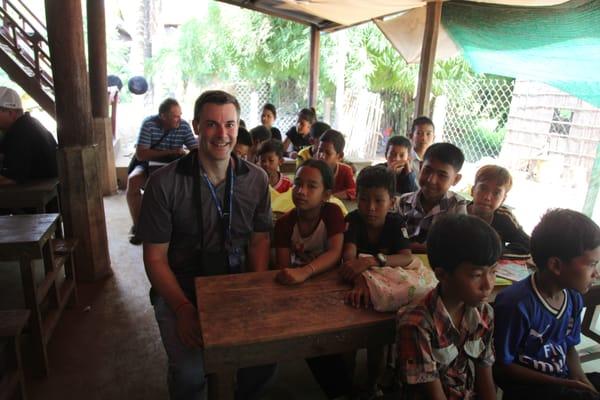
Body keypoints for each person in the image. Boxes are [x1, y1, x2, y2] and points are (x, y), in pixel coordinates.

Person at [137, 90, 275, 400]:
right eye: (212, 124)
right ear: (196, 125)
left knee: (264, 360)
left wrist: (255, 289)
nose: (222, 134)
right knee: (191, 374)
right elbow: (155, 258)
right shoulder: (164, 183)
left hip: (236, 284)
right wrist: (182, 308)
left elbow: (259, 240)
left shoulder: (256, 180)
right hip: (182, 286)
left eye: (230, 124)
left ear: (238, 126)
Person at [493, 209, 600, 400]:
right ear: (556, 265)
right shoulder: (516, 304)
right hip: (528, 387)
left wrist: (582, 380)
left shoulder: (573, 298)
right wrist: (565, 383)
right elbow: (503, 366)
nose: (597, 273)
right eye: (592, 264)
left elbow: (568, 347)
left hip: (561, 377)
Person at [396, 214, 502, 400]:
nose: (488, 285)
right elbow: (433, 394)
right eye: (476, 275)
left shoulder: (484, 313)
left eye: (493, 271)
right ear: (442, 274)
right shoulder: (416, 324)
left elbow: (485, 373)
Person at [272, 159, 349, 399]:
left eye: (311, 186)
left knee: (332, 338)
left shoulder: (332, 213)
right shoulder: (285, 223)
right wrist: (299, 275)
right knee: (313, 337)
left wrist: (305, 271)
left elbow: (335, 254)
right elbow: (284, 268)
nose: (301, 191)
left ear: (326, 194)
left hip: (330, 287)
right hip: (299, 291)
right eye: (297, 183)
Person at [341, 166, 413, 399]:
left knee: (377, 343)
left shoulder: (395, 222)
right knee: (348, 341)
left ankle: (373, 386)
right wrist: (360, 280)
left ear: (391, 202)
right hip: (357, 286)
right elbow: (349, 258)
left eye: (378, 201)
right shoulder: (353, 219)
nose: (370, 208)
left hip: (387, 291)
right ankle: (347, 385)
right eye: (363, 200)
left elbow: (406, 256)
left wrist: (373, 260)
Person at [127, 98, 197, 245]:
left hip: (173, 166)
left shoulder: (183, 126)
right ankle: (139, 227)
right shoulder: (149, 124)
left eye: (180, 115)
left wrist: (186, 154)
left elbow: (195, 149)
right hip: (147, 164)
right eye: (175, 116)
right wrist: (170, 152)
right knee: (133, 181)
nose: (179, 119)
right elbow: (141, 154)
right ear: (163, 116)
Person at [393, 142, 468, 253]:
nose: (431, 180)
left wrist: (409, 246)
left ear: (456, 179)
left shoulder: (456, 205)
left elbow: (456, 245)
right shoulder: (404, 202)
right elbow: (392, 238)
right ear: (420, 167)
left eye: (442, 175)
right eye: (427, 170)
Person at [0, 86, 57, 185]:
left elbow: (12, 178)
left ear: (10, 112)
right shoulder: (29, 124)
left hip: (41, 196)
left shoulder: (20, 132)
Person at [468, 164, 530, 255]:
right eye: (483, 188)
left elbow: (527, 244)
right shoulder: (457, 210)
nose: (487, 197)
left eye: (496, 193)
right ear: (473, 190)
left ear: (503, 199)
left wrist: (498, 253)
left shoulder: (504, 217)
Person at [316, 129, 356, 200]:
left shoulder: (345, 170)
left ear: (340, 156)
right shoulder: (311, 170)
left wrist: (332, 197)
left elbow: (356, 191)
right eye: (320, 150)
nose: (321, 156)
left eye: (328, 153)